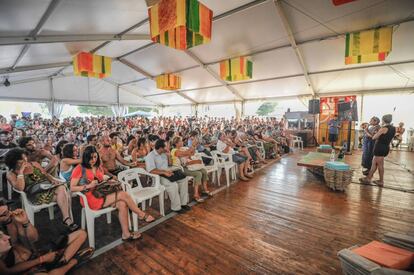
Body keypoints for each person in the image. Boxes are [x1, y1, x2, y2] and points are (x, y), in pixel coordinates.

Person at [70, 146, 155, 241]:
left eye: (95, 157)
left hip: (101, 193)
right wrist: (88, 186)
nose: (93, 160)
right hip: (90, 198)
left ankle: (126, 234)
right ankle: (141, 214)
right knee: (123, 194)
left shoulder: (97, 166)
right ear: (85, 157)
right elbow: (72, 188)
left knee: (122, 204)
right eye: (90, 158)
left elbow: (100, 179)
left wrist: (106, 179)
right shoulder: (79, 168)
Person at [0, 202, 93, 274]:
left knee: (81, 234)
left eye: (8, 209)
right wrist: (42, 259)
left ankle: (59, 262)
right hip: (29, 267)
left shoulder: (13, 218)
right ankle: (72, 262)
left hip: (37, 251)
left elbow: (34, 238)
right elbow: (6, 272)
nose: (9, 213)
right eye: (4, 214)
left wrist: (25, 222)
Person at [5, 148, 79, 232]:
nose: (25, 160)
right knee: (65, 193)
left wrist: (52, 180)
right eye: (21, 160)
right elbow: (20, 188)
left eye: (25, 157)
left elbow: (45, 174)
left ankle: (67, 219)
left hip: (46, 187)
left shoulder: (34, 164)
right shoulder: (11, 174)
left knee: (62, 188)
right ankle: (68, 220)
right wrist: (21, 171)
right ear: (14, 162)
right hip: (34, 195)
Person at [145, 139, 190, 214]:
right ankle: (176, 207)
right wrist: (164, 172)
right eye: (166, 146)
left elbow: (170, 164)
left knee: (184, 179)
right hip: (158, 176)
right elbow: (151, 170)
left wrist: (169, 156)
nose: (168, 148)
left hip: (167, 172)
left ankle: (183, 203)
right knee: (173, 185)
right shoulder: (150, 156)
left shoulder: (164, 153)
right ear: (160, 148)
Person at [171, 136, 211, 203]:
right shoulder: (175, 151)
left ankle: (205, 189)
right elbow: (187, 153)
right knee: (198, 174)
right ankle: (196, 195)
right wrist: (192, 145)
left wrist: (194, 146)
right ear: (176, 143)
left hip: (188, 166)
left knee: (203, 171)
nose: (182, 142)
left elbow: (191, 153)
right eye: (180, 141)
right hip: (181, 169)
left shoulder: (183, 148)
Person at [360, 114, 396, 187]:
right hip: (385, 147)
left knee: (380, 165)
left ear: (383, 120)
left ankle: (380, 181)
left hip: (380, 147)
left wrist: (369, 131)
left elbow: (374, 137)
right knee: (374, 164)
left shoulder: (384, 128)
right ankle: (369, 178)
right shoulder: (393, 128)